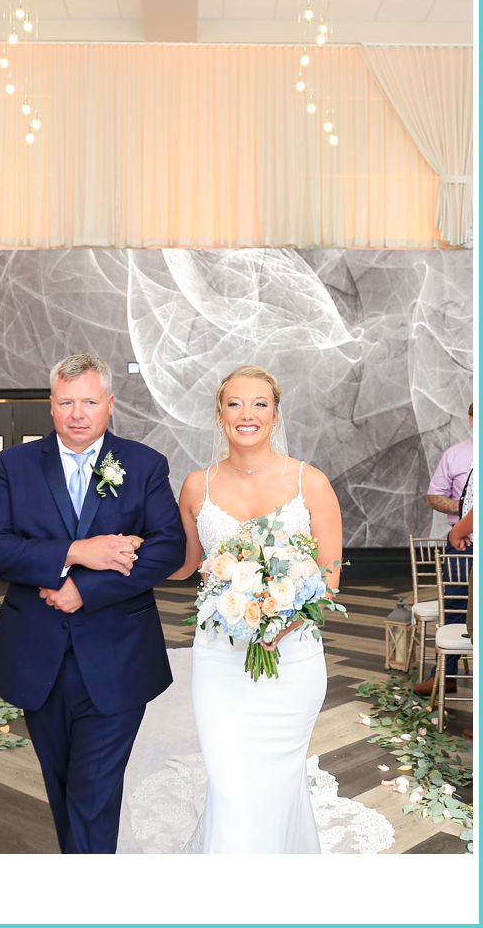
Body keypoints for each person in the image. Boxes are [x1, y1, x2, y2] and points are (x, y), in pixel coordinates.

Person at [0, 353, 187, 854]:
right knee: (64, 786)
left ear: (109, 404)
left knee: (92, 793)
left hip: (117, 655)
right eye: (66, 402)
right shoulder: (15, 465)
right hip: (35, 655)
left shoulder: (143, 464)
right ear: (50, 406)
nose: (77, 413)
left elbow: (168, 548)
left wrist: (84, 589)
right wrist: (75, 552)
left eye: (89, 401)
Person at [171, 365, 342, 853]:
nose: (247, 414)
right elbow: (187, 566)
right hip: (219, 658)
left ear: (275, 414)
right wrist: (119, 555)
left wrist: (283, 621)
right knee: (230, 785)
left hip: (293, 662)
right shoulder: (195, 487)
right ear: (219, 415)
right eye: (235, 404)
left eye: (260, 404)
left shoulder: (311, 482)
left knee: (276, 782)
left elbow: (329, 577)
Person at [417, 404, 474, 695]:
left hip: (461, 534)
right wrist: (463, 514)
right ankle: (444, 677)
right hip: (462, 545)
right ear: (471, 418)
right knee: (453, 609)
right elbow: (433, 497)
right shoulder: (455, 455)